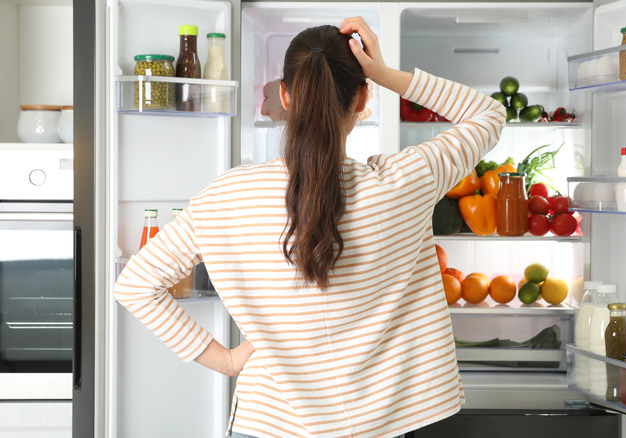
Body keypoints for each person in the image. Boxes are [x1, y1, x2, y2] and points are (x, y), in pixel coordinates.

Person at [114, 16, 505, 438]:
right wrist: (383, 72)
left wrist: (226, 361)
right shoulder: (406, 181)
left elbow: (135, 285)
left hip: (268, 425)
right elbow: (488, 113)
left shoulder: (227, 195)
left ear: (285, 95)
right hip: (383, 425)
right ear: (361, 100)